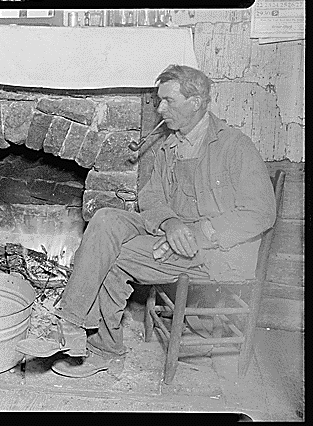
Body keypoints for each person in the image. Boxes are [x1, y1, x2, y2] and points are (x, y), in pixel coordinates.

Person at [16, 64, 276, 378]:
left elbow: (260, 212)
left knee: (114, 257)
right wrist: (170, 224)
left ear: (195, 103)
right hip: (173, 231)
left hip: (216, 252)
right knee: (106, 218)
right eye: (159, 100)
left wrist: (195, 233)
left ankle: (103, 348)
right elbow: (151, 197)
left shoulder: (235, 146)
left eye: (169, 101)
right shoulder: (171, 144)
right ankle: (70, 323)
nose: (160, 109)